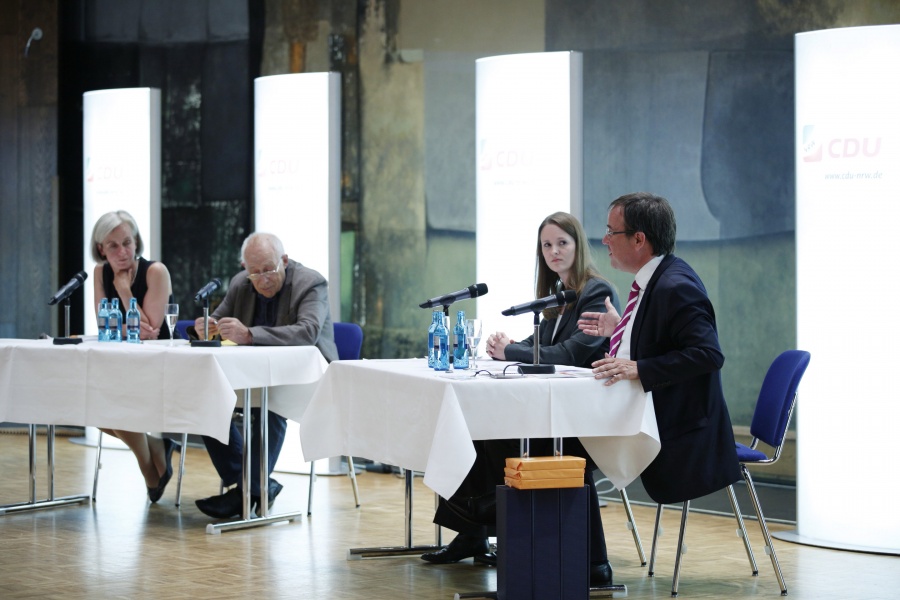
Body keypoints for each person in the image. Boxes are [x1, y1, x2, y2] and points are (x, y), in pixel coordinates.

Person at [421, 211, 620, 588]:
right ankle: (473, 533)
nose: (554, 251)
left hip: (587, 418)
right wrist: (506, 346)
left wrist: (512, 352)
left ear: (578, 245)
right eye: (547, 245)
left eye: (562, 242)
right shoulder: (555, 297)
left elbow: (571, 354)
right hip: (554, 410)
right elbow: (540, 344)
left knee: (497, 433)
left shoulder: (595, 291)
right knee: (478, 425)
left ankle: (593, 561)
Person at [577, 192, 741, 508]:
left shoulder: (675, 285)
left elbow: (708, 354)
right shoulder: (656, 280)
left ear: (639, 239)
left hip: (676, 431)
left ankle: (586, 556)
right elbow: (660, 341)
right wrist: (620, 332)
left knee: (561, 448)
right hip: (639, 412)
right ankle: (582, 554)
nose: (604, 239)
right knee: (559, 444)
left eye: (612, 231)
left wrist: (640, 368)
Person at [193, 232, 339, 519]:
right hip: (255, 376)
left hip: (308, 377)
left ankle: (247, 491)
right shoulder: (241, 283)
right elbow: (219, 319)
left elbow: (307, 332)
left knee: (271, 406)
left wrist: (248, 334)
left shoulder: (311, 283)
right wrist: (207, 327)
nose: (263, 278)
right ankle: (255, 486)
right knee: (204, 399)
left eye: (269, 269)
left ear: (284, 261)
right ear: (245, 268)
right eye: (255, 272)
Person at [90, 209, 179, 503]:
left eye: (127, 242)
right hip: (119, 363)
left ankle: (149, 470)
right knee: (92, 406)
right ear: (101, 248)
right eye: (113, 245)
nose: (122, 251)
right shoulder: (99, 272)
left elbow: (149, 331)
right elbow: (105, 325)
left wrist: (124, 290)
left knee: (113, 403)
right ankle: (155, 449)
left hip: (158, 365)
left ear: (136, 241)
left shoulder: (155, 272)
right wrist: (129, 321)